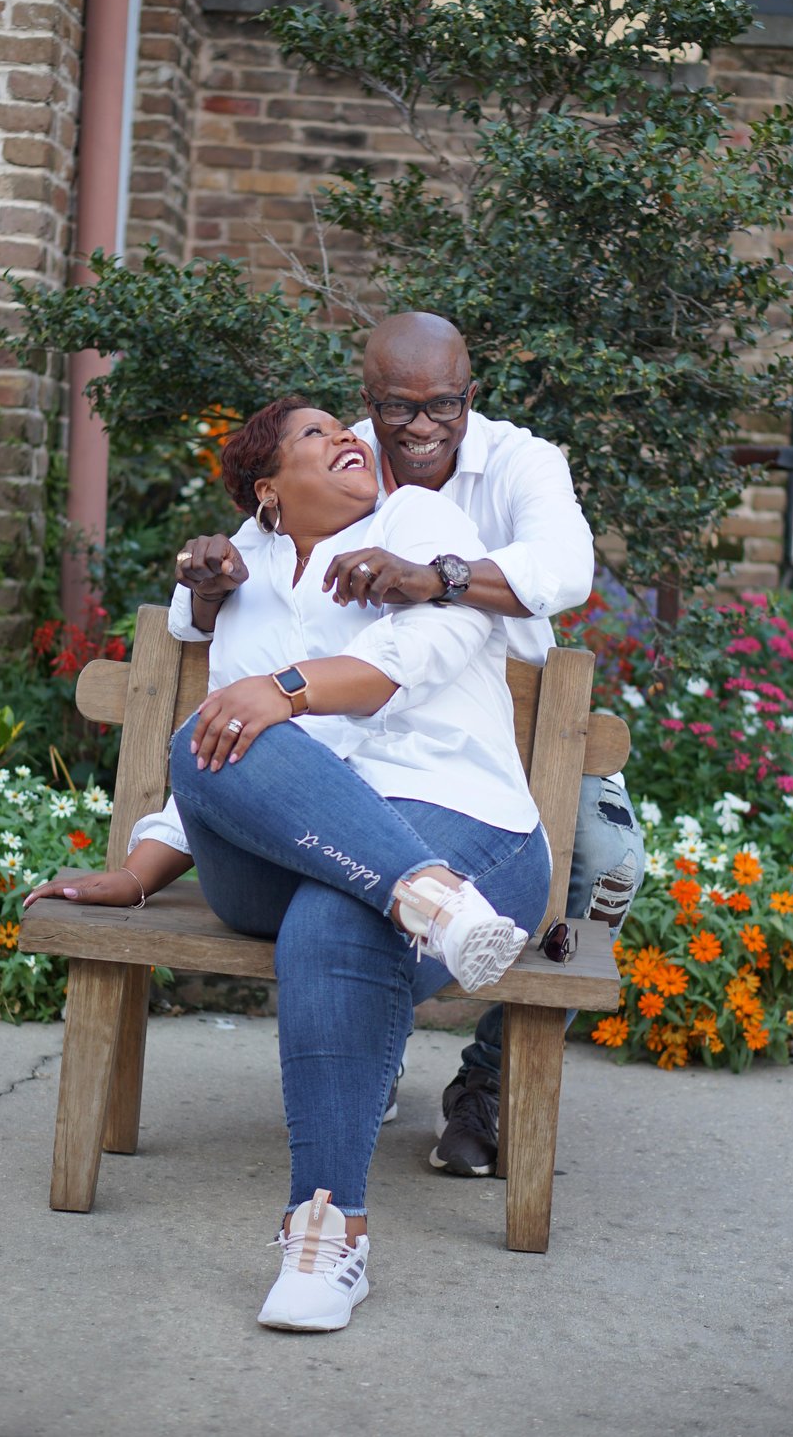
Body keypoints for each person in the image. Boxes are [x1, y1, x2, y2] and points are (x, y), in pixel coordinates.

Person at [25, 396, 552, 1332]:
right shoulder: (250, 571)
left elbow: (407, 662)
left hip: (471, 830)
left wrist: (285, 689)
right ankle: (424, 898)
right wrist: (145, 868)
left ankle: (326, 1233)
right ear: (269, 494)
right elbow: (235, 756)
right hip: (314, 862)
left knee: (337, 912)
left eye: (344, 429)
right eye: (317, 435)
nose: (349, 437)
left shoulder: (420, 527)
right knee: (208, 733)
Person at [188, 312, 646, 1178]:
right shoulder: (339, 458)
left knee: (610, 859)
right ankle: (380, 1038)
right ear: (371, 402)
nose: (423, 426)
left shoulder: (518, 462)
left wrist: (437, 579)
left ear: (470, 394)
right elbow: (246, 584)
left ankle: (489, 1080)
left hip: (501, 735)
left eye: (444, 405)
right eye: (400, 409)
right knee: (343, 892)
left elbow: (564, 570)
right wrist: (207, 595)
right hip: (354, 752)